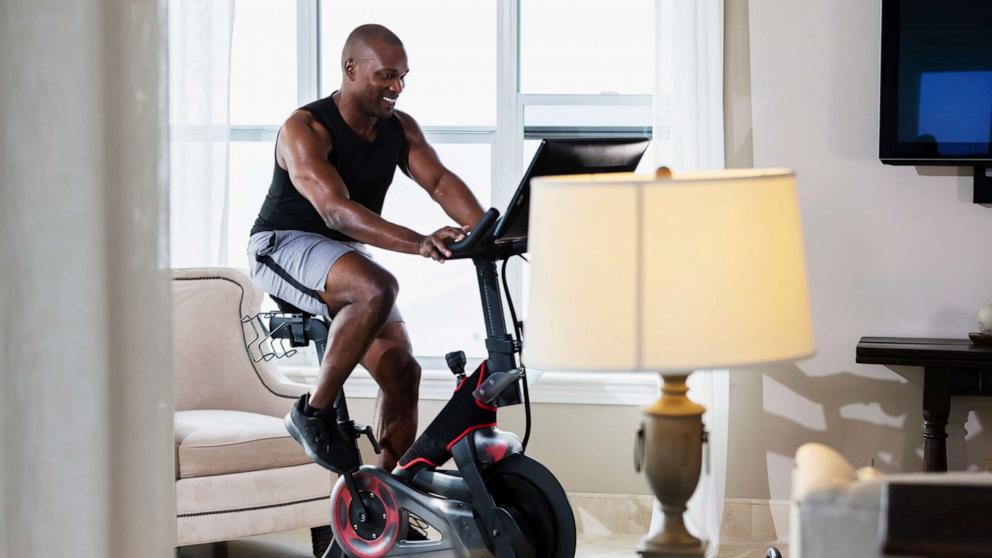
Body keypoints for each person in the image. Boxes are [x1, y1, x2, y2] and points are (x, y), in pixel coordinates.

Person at [247, 23, 484, 473]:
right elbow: (336, 211)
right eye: (387, 76)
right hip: (281, 245)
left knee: (402, 371)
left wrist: (487, 229)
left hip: (341, 253)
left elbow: (439, 181)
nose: (398, 87)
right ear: (351, 68)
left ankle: (390, 499)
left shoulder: (399, 129)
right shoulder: (306, 127)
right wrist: (420, 243)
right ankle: (312, 414)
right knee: (377, 287)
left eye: (403, 77)